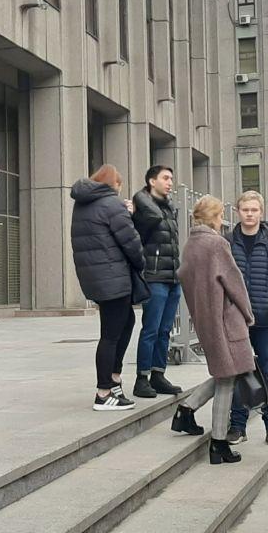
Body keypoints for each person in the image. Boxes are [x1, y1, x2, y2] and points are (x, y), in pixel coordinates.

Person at [175, 195, 258, 464]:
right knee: (227, 378)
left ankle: (187, 409)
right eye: (221, 215)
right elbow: (234, 282)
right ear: (212, 217)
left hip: (206, 320)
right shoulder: (217, 244)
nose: (223, 220)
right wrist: (247, 314)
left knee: (226, 372)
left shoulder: (190, 246)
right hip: (226, 321)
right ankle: (218, 443)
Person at [70, 165, 146, 411]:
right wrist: (140, 263)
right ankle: (104, 391)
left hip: (97, 276)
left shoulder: (82, 204)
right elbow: (131, 241)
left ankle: (114, 380)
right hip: (113, 276)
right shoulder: (112, 205)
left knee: (126, 322)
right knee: (111, 334)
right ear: (115, 185)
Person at [225, 191, 268, 446]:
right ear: (238, 211)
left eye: (254, 210)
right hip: (236, 321)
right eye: (245, 210)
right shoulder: (228, 242)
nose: (250, 214)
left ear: (261, 212)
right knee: (238, 373)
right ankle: (238, 426)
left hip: (265, 321)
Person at [132, 165, 184, 398]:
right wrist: (141, 200)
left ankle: (158, 374)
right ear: (152, 181)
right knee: (151, 330)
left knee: (165, 330)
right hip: (154, 278)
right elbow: (146, 226)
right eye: (165, 178)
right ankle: (141, 379)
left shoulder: (168, 207)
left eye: (171, 178)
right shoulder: (144, 206)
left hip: (172, 277)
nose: (170, 182)